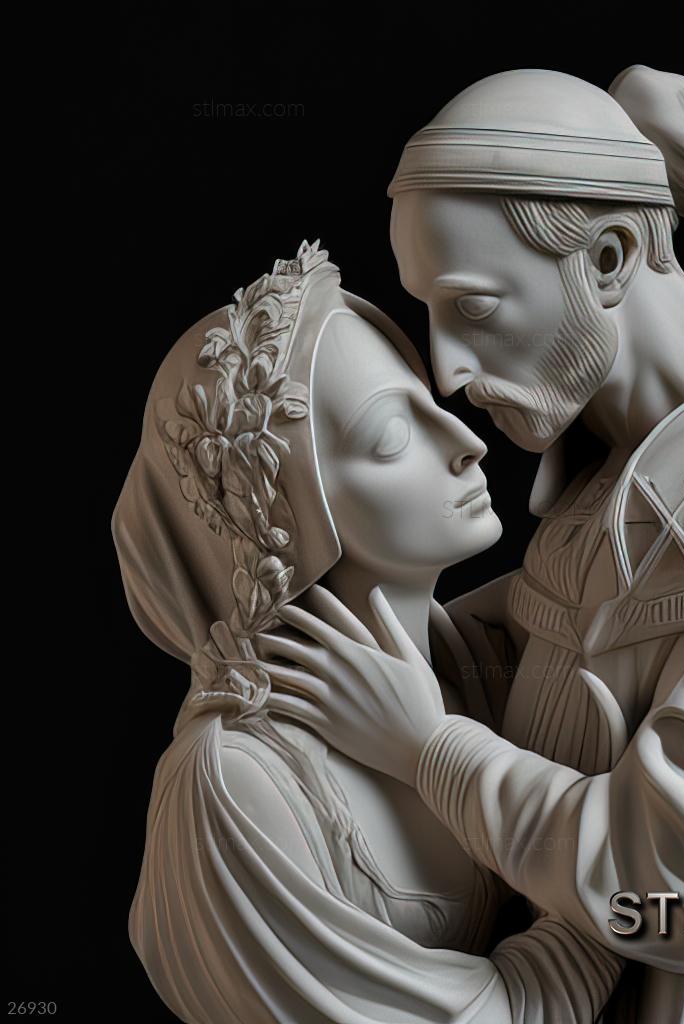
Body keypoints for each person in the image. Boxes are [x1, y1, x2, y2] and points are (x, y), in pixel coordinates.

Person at [260, 69, 684, 1023]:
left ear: (609, 259)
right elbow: (552, 668)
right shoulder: (610, 479)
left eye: (474, 309)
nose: (445, 370)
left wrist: (429, 748)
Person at [113, 240, 621, 1024]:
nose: (466, 443)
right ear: (282, 519)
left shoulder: (482, 660)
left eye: (428, 403)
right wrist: (607, 910)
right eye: (391, 437)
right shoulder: (236, 784)